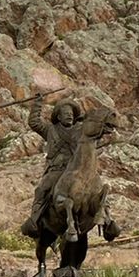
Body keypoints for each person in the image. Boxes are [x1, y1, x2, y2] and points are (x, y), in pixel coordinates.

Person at [20, 94, 83, 240]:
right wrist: (37, 103)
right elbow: (34, 122)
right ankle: (34, 220)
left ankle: (106, 218)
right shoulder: (49, 129)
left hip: (74, 171)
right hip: (56, 171)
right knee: (41, 190)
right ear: (58, 117)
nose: (69, 116)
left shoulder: (79, 131)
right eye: (65, 113)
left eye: (71, 114)